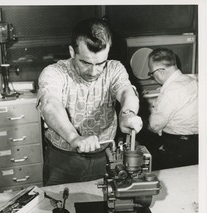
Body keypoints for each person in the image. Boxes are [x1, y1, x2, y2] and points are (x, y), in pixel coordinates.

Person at [36, 18, 143, 186]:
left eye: (100, 63)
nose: (94, 71)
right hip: (63, 161)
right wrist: (74, 138)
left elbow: (125, 91)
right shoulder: (54, 72)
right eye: (85, 62)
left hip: (105, 158)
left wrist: (127, 114)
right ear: (72, 52)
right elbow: (50, 104)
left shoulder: (114, 68)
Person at [143, 47, 198, 170]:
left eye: (152, 73)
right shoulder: (193, 81)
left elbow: (155, 126)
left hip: (178, 146)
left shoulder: (171, 90)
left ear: (161, 71)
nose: (153, 77)